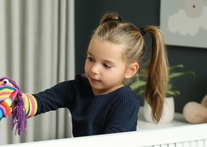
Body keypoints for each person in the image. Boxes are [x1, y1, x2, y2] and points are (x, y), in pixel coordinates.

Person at [22, 12, 169, 137]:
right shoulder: (76, 88)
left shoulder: (125, 102)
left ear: (130, 70)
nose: (94, 69)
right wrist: (13, 101)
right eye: (90, 59)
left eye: (106, 65)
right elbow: (39, 102)